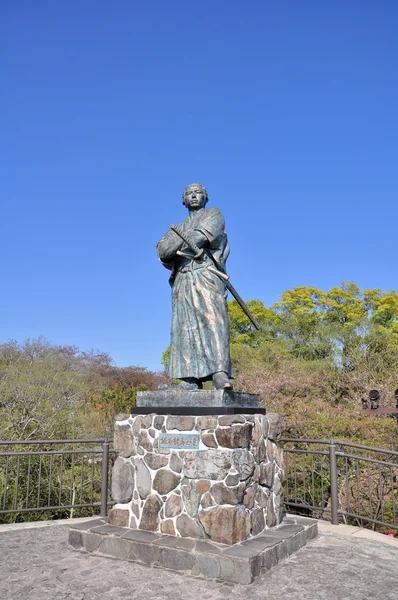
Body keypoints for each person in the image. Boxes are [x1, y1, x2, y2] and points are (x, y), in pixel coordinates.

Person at [157, 183, 233, 390]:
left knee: (213, 321)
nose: (193, 196)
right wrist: (178, 244)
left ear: (205, 197)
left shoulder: (214, 214)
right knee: (184, 327)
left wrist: (176, 244)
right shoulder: (177, 228)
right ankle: (189, 379)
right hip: (182, 279)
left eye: (197, 192)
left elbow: (201, 237)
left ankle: (219, 373)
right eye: (188, 193)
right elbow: (162, 252)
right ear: (183, 200)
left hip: (206, 274)